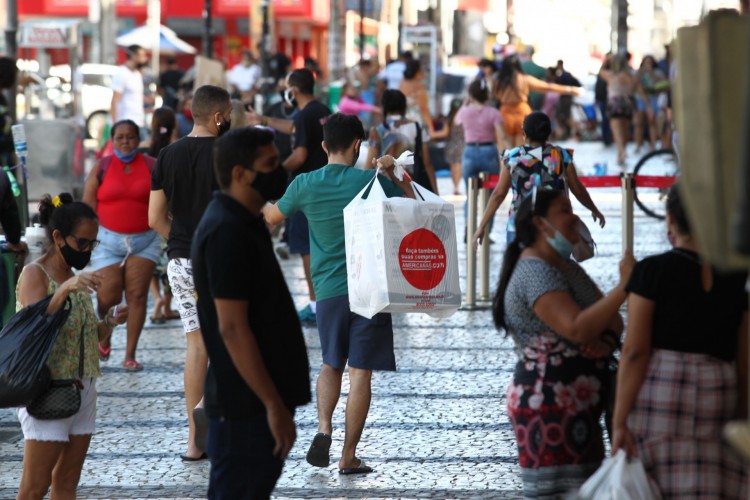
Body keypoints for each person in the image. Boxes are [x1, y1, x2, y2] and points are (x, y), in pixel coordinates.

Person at [262, 113, 415, 475]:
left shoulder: (305, 184)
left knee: (332, 363)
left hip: (328, 291)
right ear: (358, 145)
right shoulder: (371, 181)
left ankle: (323, 428)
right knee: (360, 374)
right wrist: (395, 173)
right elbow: (412, 207)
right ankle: (348, 456)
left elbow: (270, 218)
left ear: (323, 145)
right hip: (371, 290)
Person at [192, 127, 311, 498]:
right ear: (241, 173)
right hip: (245, 410)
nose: (280, 170)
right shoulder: (226, 230)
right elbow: (232, 329)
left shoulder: (245, 221)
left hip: (255, 407)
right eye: (271, 163)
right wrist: (273, 405)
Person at [493, 188, 634, 498]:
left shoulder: (565, 267)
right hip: (548, 407)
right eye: (564, 209)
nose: (573, 217)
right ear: (541, 224)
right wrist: (624, 286)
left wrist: (608, 339)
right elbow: (576, 327)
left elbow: (612, 319)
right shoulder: (534, 272)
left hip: (579, 407)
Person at [612, 185, 749, 498]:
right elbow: (744, 359)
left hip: (663, 390)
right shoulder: (735, 276)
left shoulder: (652, 271)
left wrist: (620, 421)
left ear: (670, 218)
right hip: (719, 387)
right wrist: (743, 412)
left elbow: (634, 351)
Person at [15, 193, 128, 498]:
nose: (89, 250)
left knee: (67, 483)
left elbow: (90, 337)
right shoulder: (34, 274)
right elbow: (35, 327)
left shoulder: (75, 279)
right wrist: (65, 289)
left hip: (84, 389)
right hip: (50, 389)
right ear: (58, 237)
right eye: (83, 243)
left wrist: (111, 321)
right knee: (34, 488)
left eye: (94, 243)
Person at [149, 84, 232, 461]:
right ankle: (216, 417)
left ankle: (193, 443)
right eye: (228, 115)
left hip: (181, 260)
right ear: (218, 117)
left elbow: (154, 217)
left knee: (196, 344)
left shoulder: (167, 155)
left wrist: (185, 242)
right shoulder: (228, 155)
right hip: (220, 259)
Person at [246, 68, 331, 325]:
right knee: (321, 246)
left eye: (287, 88)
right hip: (325, 184)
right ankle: (324, 302)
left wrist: (275, 171)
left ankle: (316, 305)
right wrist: (263, 118)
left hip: (307, 190)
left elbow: (300, 154)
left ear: (293, 91)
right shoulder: (320, 111)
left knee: (306, 248)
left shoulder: (306, 115)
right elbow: (294, 126)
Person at [82, 120, 160, 372]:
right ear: (112, 140)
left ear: (139, 140)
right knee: (108, 296)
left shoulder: (152, 166)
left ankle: (130, 354)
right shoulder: (101, 167)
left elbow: (165, 198)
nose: (125, 141)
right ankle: (104, 336)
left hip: (145, 240)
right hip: (107, 241)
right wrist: (86, 238)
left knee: (137, 296)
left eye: (130, 137)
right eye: (119, 137)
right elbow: (88, 204)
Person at [473, 111, 605, 246]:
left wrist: (482, 226)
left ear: (524, 133)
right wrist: (594, 210)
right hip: (556, 225)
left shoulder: (513, 157)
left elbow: (499, 194)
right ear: (548, 133)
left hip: (520, 225)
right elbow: (578, 190)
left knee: (520, 265)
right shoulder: (561, 155)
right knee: (556, 266)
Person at [494, 54, 581, 147]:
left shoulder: (498, 81)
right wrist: (570, 89)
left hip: (505, 114)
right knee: (523, 150)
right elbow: (547, 87)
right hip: (522, 112)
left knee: (505, 150)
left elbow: (494, 96)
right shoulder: (524, 79)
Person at [365, 89, 438, 193]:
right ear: (404, 106)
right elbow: (427, 162)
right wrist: (435, 192)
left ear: (384, 107)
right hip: (411, 186)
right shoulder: (418, 127)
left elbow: (369, 166)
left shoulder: (377, 131)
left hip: (385, 189)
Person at [454, 79, 503, 224]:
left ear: (471, 95)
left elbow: (456, 121)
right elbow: (501, 135)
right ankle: (486, 232)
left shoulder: (464, 112)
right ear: (487, 95)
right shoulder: (494, 112)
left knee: (470, 194)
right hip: (489, 152)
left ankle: (469, 228)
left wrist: (465, 103)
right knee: (491, 196)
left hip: (469, 152)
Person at [145, 108, 178, 324]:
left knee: (152, 262)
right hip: (171, 215)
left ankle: (156, 299)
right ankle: (166, 305)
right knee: (171, 262)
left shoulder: (145, 153)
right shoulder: (177, 151)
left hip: (148, 215)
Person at [598, 53, 649, 166]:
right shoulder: (633, 77)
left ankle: (622, 151)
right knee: (625, 131)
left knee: (617, 131)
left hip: (615, 104)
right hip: (628, 105)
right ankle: (620, 155)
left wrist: (606, 61)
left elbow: (600, 72)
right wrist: (648, 107)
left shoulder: (611, 75)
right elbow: (642, 93)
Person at [431, 98, 465, 195]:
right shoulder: (464, 117)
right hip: (461, 144)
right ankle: (456, 187)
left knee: (453, 166)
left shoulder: (448, 119)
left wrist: (432, 134)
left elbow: (445, 133)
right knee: (458, 165)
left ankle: (455, 186)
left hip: (450, 144)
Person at [633, 55, 666, 153]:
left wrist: (651, 73)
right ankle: (638, 144)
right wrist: (641, 72)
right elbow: (635, 84)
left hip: (653, 98)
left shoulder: (657, 72)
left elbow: (663, 83)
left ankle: (653, 144)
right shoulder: (639, 73)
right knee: (639, 122)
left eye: (650, 62)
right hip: (641, 99)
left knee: (652, 121)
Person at [111, 45, 148, 129]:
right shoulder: (122, 73)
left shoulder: (137, 74)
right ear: (134, 57)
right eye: (142, 56)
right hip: (125, 123)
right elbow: (114, 101)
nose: (144, 59)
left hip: (139, 122)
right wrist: (115, 125)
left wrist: (147, 100)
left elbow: (135, 98)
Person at [399, 59, 435, 137]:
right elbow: (423, 108)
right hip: (415, 122)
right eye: (420, 69)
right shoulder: (418, 87)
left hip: (402, 121)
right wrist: (431, 127)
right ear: (417, 71)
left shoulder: (402, 83)